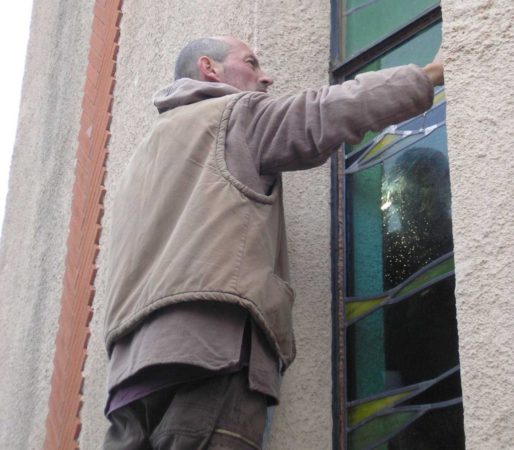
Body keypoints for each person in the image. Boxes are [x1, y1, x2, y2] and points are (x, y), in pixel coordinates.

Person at [103, 36, 444, 449]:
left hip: (128, 386)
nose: (267, 76)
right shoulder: (233, 115)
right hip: (210, 358)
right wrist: (426, 77)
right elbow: (322, 112)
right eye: (252, 62)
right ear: (209, 68)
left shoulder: (137, 162)